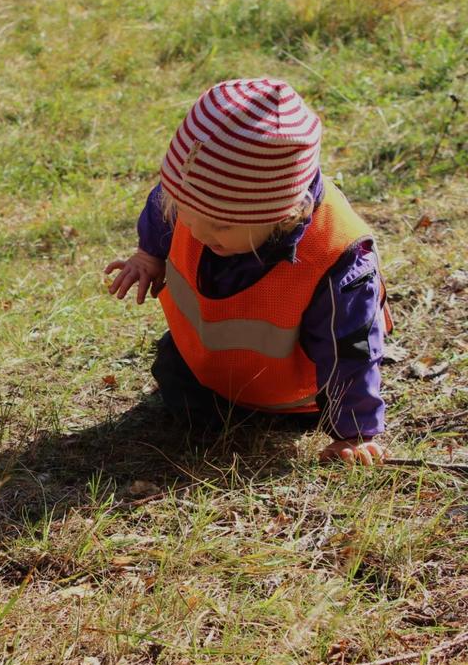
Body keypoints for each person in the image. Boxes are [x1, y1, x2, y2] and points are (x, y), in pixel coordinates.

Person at [104, 78, 391, 465]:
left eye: (221, 226)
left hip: (295, 400)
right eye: (187, 214)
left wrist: (354, 432)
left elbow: (351, 348)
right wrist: (149, 254)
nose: (200, 233)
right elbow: (163, 205)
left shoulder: (338, 259)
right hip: (206, 373)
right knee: (174, 384)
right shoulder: (192, 201)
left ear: (284, 215)